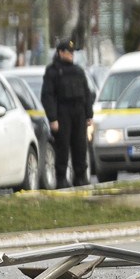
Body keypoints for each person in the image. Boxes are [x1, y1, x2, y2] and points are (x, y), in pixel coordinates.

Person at [39, 38, 93, 188]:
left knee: (80, 146)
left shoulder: (78, 71)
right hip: (63, 113)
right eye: (67, 52)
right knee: (62, 146)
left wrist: (89, 114)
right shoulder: (53, 71)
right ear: (60, 53)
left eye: (72, 52)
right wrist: (53, 118)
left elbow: (87, 94)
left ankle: (80, 176)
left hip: (79, 112)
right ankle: (61, 178)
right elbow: (47, 96)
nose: (70, 54)